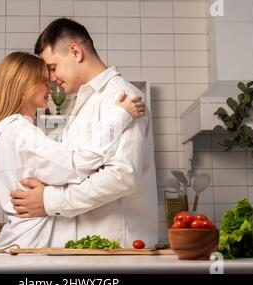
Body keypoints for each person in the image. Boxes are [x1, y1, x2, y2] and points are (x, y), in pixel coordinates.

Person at [0, 51, 145, 248]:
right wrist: (120, 116)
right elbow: (77, 164)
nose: (51, 90)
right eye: (44, 82)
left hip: (24, 242)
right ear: (23, 86)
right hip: (33, 246)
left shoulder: (9, 133)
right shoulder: (20, 133)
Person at [10, 18, 159, 248]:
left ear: (76, 52)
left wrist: (49, 200)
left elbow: (123, 176)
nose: (50, 79)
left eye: (52, 67)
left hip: (121, 247)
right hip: (92, 246)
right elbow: (75, 167)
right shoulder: (85, 102)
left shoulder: (122, 96)